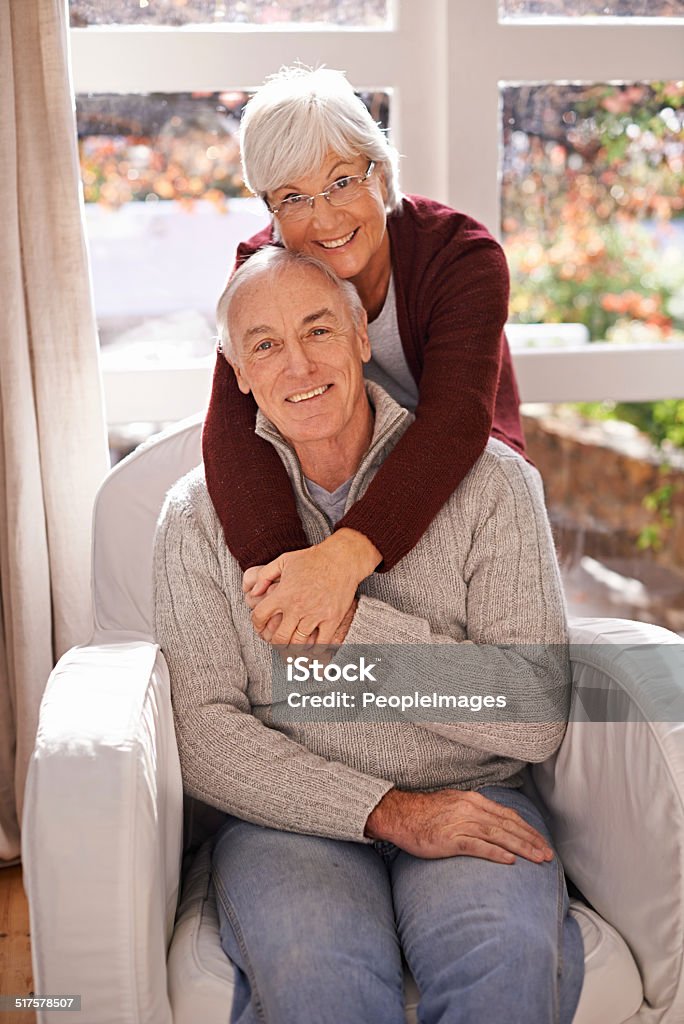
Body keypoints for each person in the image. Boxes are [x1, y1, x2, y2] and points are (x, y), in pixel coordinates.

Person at [154, 246, 584, 1024]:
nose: (298, 364)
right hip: (288, 821)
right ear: (238, 373)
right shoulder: (194, 518)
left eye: (319, 330)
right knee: (315, 979)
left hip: (474, 795)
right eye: (265, 345)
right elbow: (204, 734)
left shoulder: (493, 486)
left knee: (508, 968)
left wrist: (350, 625)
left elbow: (533, 707)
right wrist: (385, 809)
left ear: (362, 340)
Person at [201, 65, 527, 649]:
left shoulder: (461, 258)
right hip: (337, 479)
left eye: (343, 181)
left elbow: (455, 422)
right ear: (269, 207)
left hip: (457, 470)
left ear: (380, 171)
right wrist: (293, 576)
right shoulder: (261, 269)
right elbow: (233, 430)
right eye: (294, 198)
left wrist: (342, 560)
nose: (325, 218)